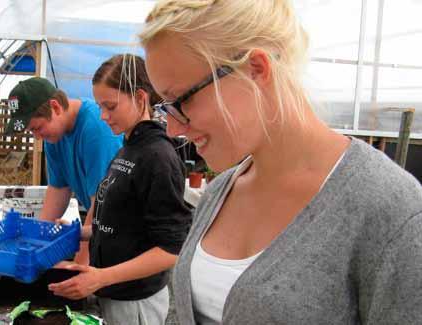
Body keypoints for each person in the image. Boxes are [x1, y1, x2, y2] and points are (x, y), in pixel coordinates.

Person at [140, 1, 422, 324]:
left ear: (256, 68)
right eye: (166, 107)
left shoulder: (389, 210)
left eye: (182, 100)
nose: (173, 128)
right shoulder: (219, 193)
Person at [48, 54, 192, 325]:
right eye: (101, 106)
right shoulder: (129, 147)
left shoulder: (158, 156)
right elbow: (125, 224)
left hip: (136, 302)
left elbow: (171, 249)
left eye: (110, 106)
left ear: (140, 98)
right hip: (112, 293)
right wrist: (79, 232)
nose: (103, 116)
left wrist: (101, 277)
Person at [4, 77, 123, 264]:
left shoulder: (97, 130)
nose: (36, 137)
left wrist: (79, 265)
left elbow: (102, 204)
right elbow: (58, 190)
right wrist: (36, 241)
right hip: (99, 227)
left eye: (37, 128)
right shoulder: (54, 136)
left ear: (56, 107)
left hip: (120, 234)